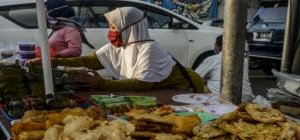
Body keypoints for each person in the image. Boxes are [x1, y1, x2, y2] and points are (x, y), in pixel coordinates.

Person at [32, 7, 204, 92]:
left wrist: (102, 83)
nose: (111, 31)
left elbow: (142, 84)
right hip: (161, 90)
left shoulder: (150, 49)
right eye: (111, 27)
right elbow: (87, 61)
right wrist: (50, 62)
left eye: (115, 27)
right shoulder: (118, 47)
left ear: (130, 28)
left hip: (184, 87)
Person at [195, 35, 253, 101]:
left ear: (218, 46)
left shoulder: (213, 59)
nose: (214, 48)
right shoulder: (244, 60)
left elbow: (195, 77)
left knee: (202, 85)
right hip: (247, 99)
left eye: (215, 45)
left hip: (222, 100)